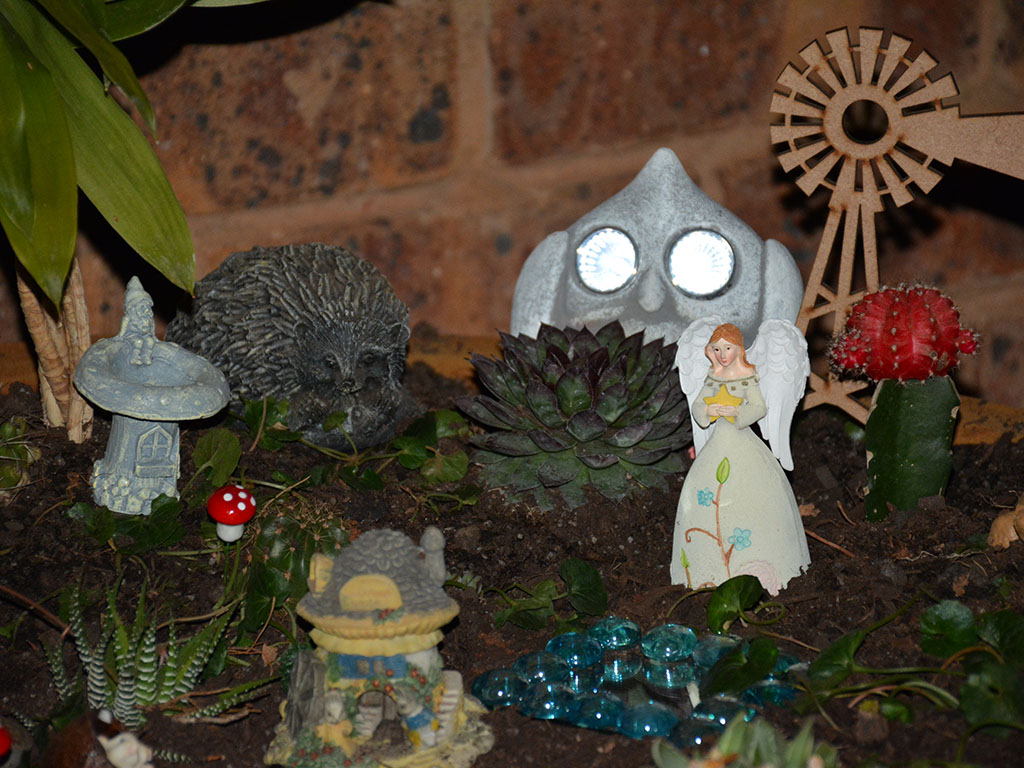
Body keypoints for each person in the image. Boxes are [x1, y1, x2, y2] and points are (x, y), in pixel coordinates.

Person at [670, 323, 809, 595]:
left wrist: (736, 413)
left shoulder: (748, 377)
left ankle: (774, 567)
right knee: (707, 500)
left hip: (743, 441)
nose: (723, 355)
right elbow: (698, 408)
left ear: (738, 349)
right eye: (717, 349)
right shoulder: (713, 378)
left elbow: (758, 407)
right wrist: (709, 410)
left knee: (754, 495)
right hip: (717, 445)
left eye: (728, 348)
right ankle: (704, 573)